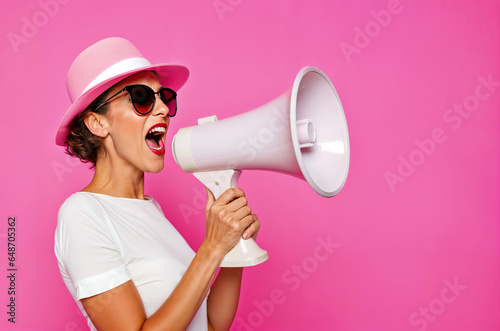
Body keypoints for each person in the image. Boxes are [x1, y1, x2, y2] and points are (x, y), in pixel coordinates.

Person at [54, 37, 260, 331]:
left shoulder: (152, 211)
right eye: (141, 98)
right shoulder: (82, 214)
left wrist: (232, 243)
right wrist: (212, 247)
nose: (163, 108)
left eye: (164, 97)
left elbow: (211, 324)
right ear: (97, 124)